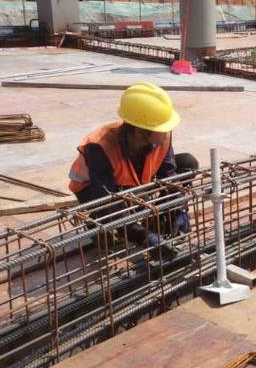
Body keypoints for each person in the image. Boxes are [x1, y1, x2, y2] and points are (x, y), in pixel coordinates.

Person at [68, 82, 199, 249]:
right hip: (94, 191)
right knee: (109, 215)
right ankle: (98, 221)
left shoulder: (161, 137)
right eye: (161, 129)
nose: (166, 133)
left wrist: (177, 209)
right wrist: (142, 237)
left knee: (187, 162)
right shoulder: (100, 146)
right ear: (138, 131)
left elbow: (169, 175)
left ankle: (159, 219)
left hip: (133, 184)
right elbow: (108, 201)